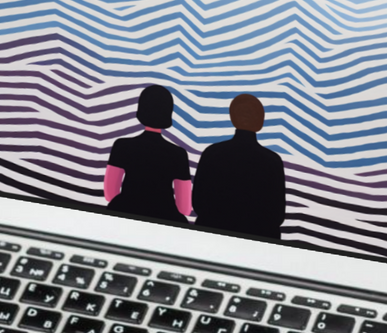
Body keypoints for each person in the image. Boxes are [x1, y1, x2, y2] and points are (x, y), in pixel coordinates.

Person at [192, 94, 286, 239]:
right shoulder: (272, 161)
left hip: (212, 236)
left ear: (233, 117)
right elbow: (277, 216)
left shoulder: (212, 153)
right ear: (260, 121)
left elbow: (198, 204)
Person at [103, 85, 192, 223]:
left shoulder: (122, 146)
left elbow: (110, 194)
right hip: (165, 219)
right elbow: (184, 208)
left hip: (124, 214)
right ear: (168, 113)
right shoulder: (178, 154)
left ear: (141, 110)